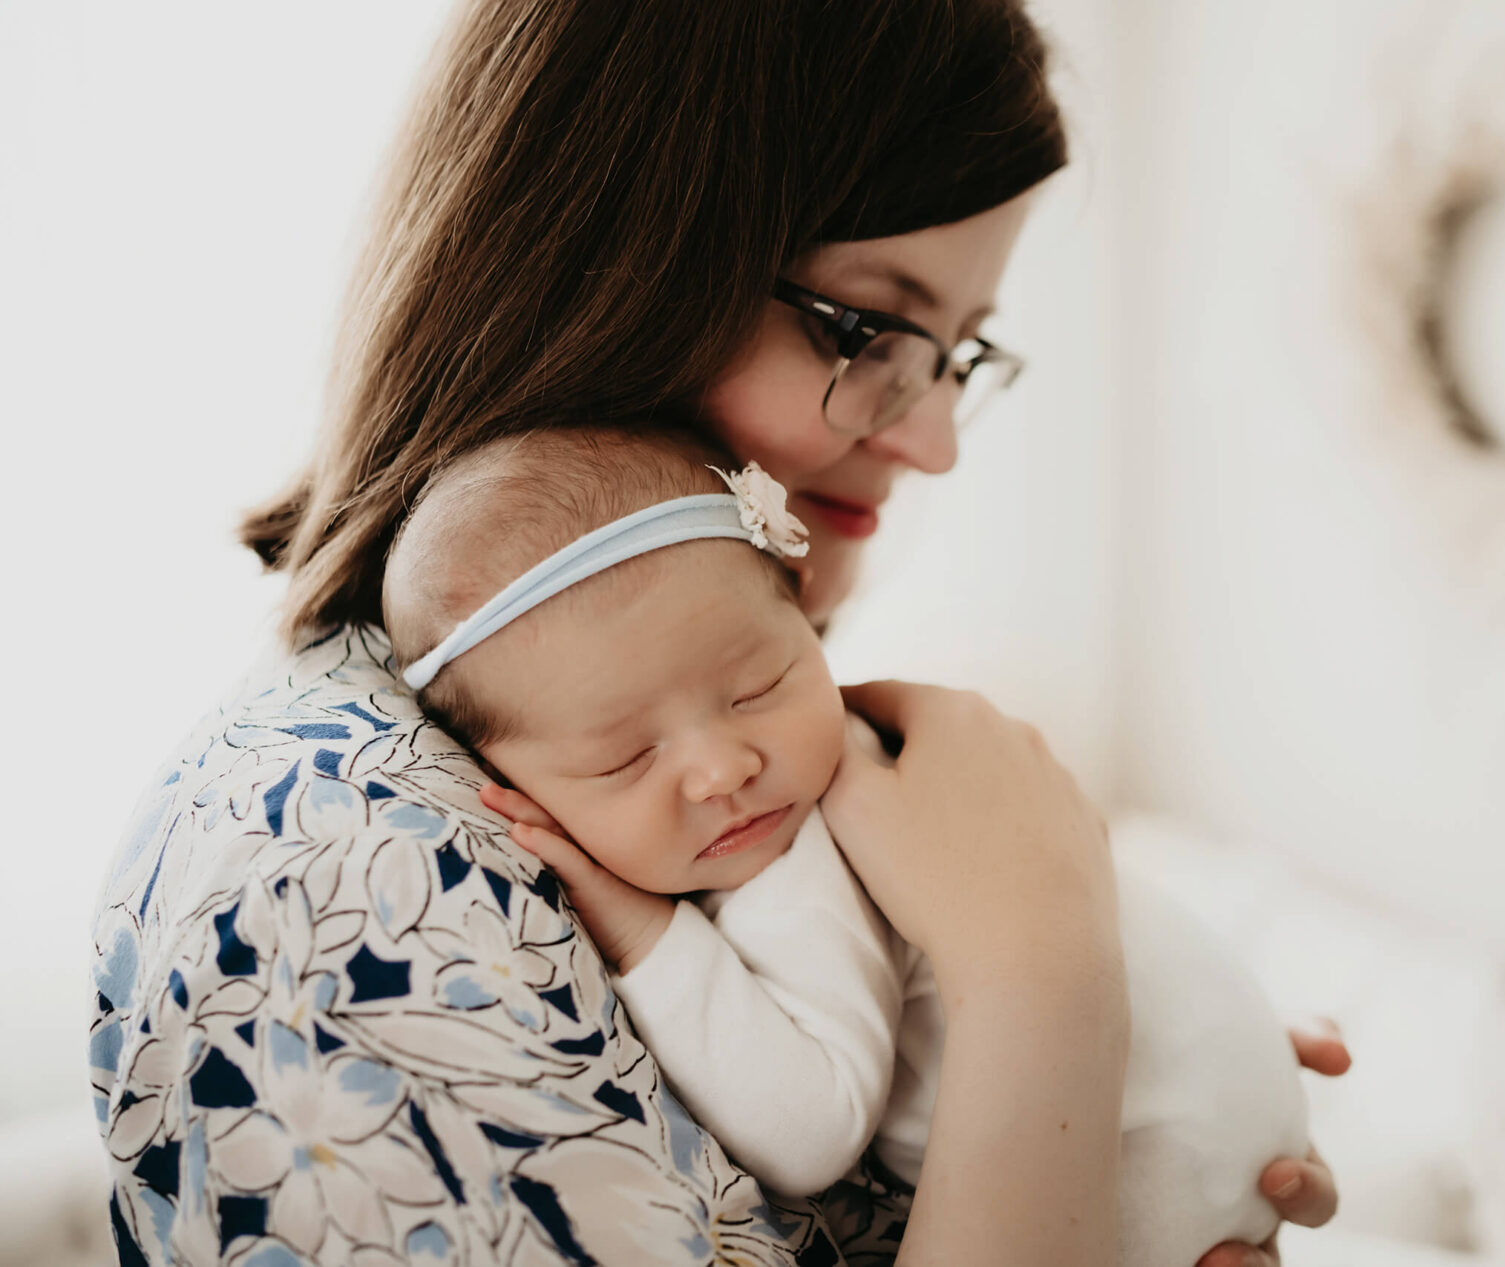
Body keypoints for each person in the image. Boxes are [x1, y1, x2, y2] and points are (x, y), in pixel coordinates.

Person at [90, 2, 1346, 1263]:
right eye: (867, 331)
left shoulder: (587, 728)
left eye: (960, 352)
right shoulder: (341, 897)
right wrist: (1044, 994)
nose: (934, 441)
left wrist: (1124, 1100)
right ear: (605, 258)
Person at [380, 425, 1314, 1264]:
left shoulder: (797, 862)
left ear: (805, 609)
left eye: (757, 686)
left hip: (1163, 1140)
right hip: (1209, 1099)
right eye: (625, 757)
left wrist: (640, 935)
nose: (722, 768)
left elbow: (811, 1124)